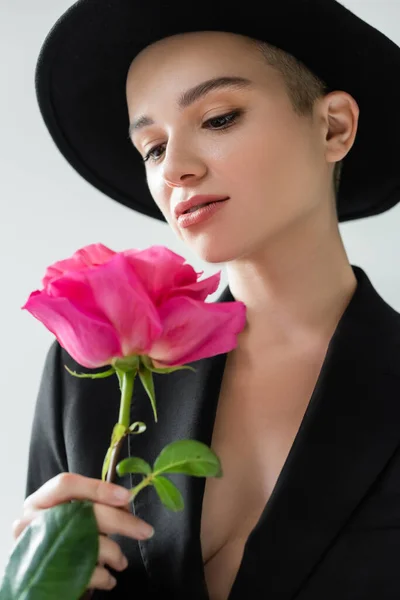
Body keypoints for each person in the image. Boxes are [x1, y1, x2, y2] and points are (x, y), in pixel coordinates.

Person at [12, 1, 400, 599]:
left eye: (218, 118)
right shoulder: (92, 369)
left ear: (334, 128)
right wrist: (28, 584)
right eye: (152, 148)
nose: (175, 170)